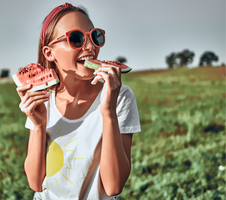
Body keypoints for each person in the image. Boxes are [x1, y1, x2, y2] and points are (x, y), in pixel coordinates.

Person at [16, 3, 141, 200]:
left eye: (95, 36)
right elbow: (36, 183)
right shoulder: (42, 100)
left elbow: (113, 186)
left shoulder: (120, 97)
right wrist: (38, 125)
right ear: (50, 53)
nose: (90, 47)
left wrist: (108, 111)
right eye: (76, 39)